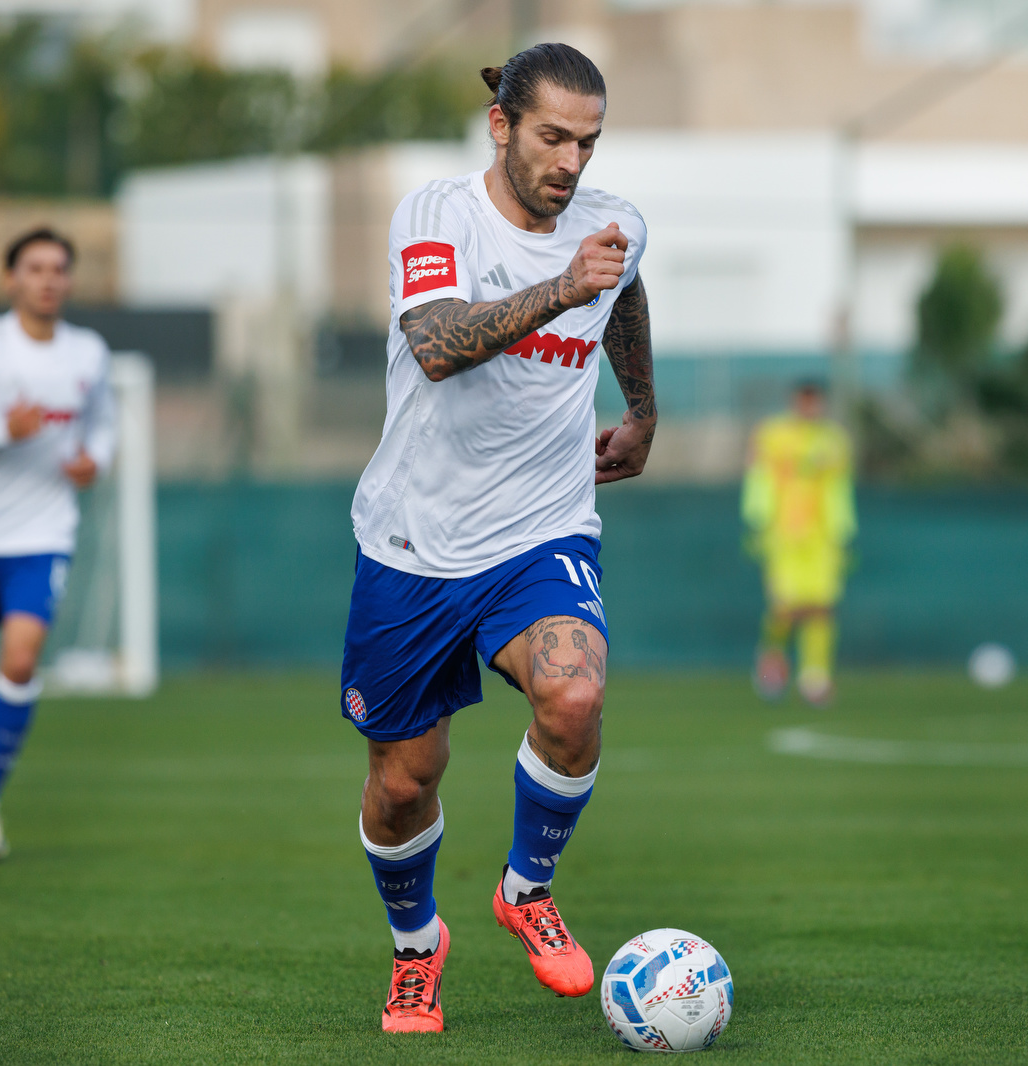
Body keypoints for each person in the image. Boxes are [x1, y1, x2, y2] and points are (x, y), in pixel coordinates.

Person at [340, 43, 655, 1032]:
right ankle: (415, 949)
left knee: (574, 691)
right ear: (503, 126)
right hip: (412, 543)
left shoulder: (613, 227)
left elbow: (624, 289)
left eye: (588, 142)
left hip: (541, 529)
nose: (570, 161)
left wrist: (642, 406)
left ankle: (525, 888)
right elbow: (433, 346)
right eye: (553, 137)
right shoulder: (436, 214)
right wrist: (559, 289)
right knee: (402, 785)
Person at [0, 228, 114, 861]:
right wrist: (0, 431)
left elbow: (104, 428)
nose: (48, 279)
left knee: (22, 661)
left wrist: (95, 460)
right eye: (35, 268)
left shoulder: (88, 353)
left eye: (59, 268)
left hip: (43, 534)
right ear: (11, 279)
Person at [743, 380, 855, 706]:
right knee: (785, 606)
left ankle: (815, 677)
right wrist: (756, 519)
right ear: (794, 401)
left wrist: (844, 530)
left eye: (815, 401)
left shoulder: (835, 441)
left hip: (823, 538)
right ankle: (772, 661)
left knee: (821, 607)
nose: (810, 407)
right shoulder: (772, 435)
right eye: (804, 401)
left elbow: (840, 489)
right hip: (783, 533)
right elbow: (758, 477)